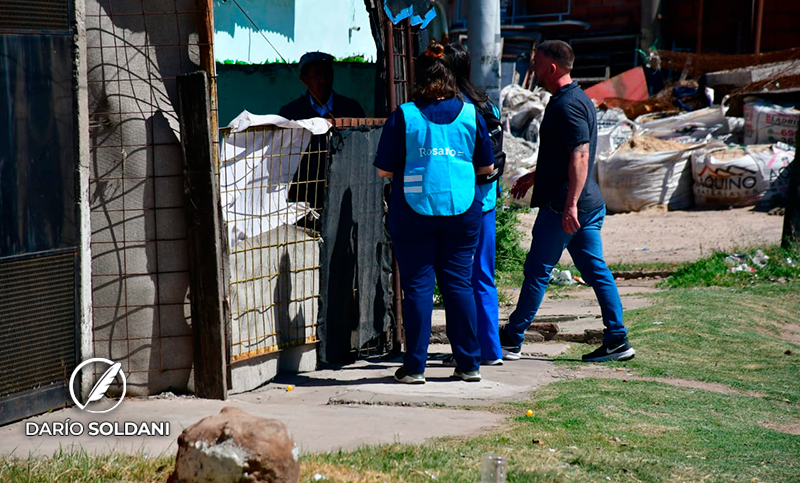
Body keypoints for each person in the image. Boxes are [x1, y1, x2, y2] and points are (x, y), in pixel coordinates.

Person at [500, 40, 635, 363]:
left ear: (552, 67)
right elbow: (565, 154)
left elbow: (580, 154)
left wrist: (570, 205)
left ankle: (512, 339)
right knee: (596, 271)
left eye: (536, 63)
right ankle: (617, 339)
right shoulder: (577, 98)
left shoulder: (567, 105)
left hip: (565, 207)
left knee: (537, 270)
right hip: (586, 203)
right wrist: (536, 174)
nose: (532, 69)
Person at [373, 41, 495, 384]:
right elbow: (486, 167)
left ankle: (414, 367)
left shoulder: (404, 115)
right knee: (459, 285)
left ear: (420, 79)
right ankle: (469, 364)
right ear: (450, 78)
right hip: (462, 211)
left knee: (417, 287)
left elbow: (384, 171)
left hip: (413, 211)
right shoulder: (471, 114)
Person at [442, 43, 505, 366]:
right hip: (488, 199)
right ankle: (491, 349)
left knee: (460, 278)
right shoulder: (487, 104)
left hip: (463, 203)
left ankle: (470, 350)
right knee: (483, 275)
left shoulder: (457, 108)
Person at [279, 52, 365, 228]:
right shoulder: (291, 113)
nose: (324, 80)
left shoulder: (351, 109)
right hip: (304, 197)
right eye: (317, 75)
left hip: (344, 191)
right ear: (304, 79)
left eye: (327, 74)